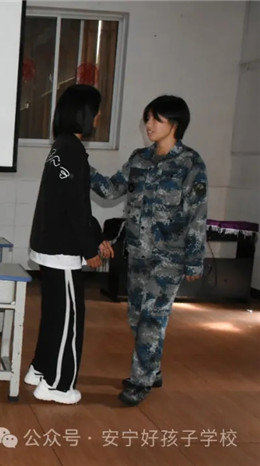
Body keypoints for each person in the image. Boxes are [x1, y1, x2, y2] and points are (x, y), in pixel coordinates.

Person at [90, 95, 207, 406]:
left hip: (169, 259)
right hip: (137, 254)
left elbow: (197, 214)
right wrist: (80, 167)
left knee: (151, 320)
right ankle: (152, 369)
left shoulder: (191, 164)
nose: (149, 124)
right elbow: (110, 190)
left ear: (175, 123)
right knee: (136, 318)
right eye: (147, 118)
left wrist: (195, 260)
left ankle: (140, 381)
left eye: (156, 119)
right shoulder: (139, 159)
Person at [26, 84, 114, 405]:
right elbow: (76, 207)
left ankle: (40, 369)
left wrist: (95, 237)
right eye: (97, 111)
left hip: (49, 245)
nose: (99, 117)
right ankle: (58, 385)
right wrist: (90, 249)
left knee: (54, 315)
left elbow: (73, 203)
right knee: (69, 319)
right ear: (85, 114)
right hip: (62, 249)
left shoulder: (61, 147)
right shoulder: (72, 151)